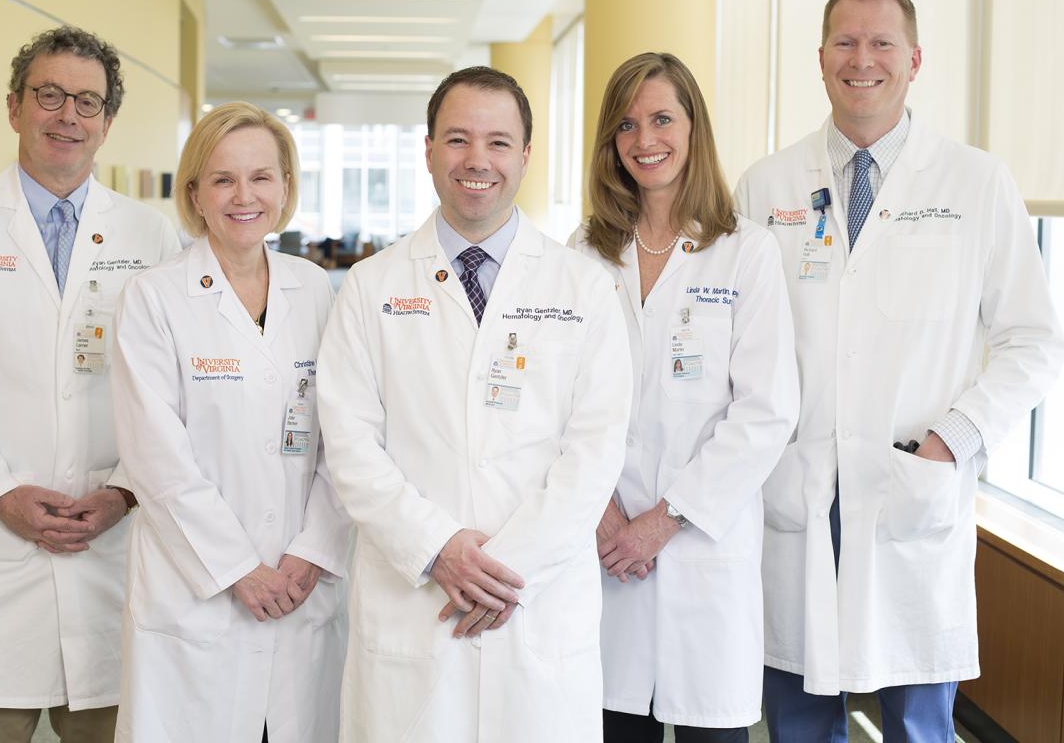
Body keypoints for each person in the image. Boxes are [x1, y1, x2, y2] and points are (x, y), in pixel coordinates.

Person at [734, 0, 1064, 741]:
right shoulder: (767, 185)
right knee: (797, 718)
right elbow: (740, 345)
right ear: (819, 60)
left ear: (915, 59)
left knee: (919, 725)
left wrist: (956, 437)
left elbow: (1032, 340)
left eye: (882, 42)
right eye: (845, 43)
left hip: (910, 483)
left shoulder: (977, 183)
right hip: (798, 490)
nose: (863, 59)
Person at [317, 66, 633, 743]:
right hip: (416, 598)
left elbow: (597, 445)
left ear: (524, 155)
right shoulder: (370, 288)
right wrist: (439, 550)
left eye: (497, 141)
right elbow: (348, 445)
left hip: (537, 604)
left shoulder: (583, 286)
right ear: (428, 150)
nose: (476, 160)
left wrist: (504, 567)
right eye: (457, 139)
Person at [0, 26, 181, 742]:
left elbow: (171, 389)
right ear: (14, 107)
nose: (68, 116)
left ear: (107, 122)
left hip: (110, 543)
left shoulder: (149, 237)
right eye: (49, 95)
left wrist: (123, 488)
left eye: (87, 102)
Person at [570, 53, 799, 742]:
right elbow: (559, 403)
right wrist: (605, 511)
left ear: (694, 128)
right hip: (604, 553)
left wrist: (661, 522)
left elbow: (766, 411)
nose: (646, 140)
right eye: (627, 125)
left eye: (663, 118)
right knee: (612, 723)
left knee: (711, 729)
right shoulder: (582, 253)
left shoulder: (744, 252)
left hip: (702, 550)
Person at [110, 102, 350, 742]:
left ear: (286, 187)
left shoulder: (315, 288)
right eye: (222, 179)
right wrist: (238, 569)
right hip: (200, 595)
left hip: (302, 585)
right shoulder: (155, 298)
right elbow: (154, 456)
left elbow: (344, 439)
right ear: (194, 193)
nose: (244, 196)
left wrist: (313, 550)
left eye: (262, 177)